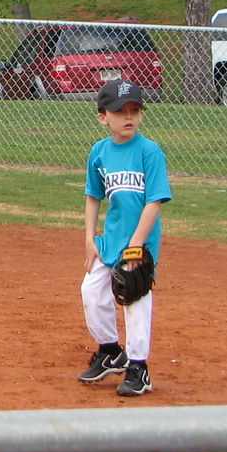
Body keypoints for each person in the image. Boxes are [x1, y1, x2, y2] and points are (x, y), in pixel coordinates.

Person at [78, 79, 172, 396]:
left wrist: (136, 247)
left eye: (134, 110)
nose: (128, 117)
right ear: (104, 117)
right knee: (91, 291)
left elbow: (154, 201)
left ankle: (138, 367)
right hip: (110, 239)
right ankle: (110, 350)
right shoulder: (99, 152)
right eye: (120, 112)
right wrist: (90, 238)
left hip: (140, 244)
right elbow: (93, 196)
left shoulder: (150, 152)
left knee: (135, 297)